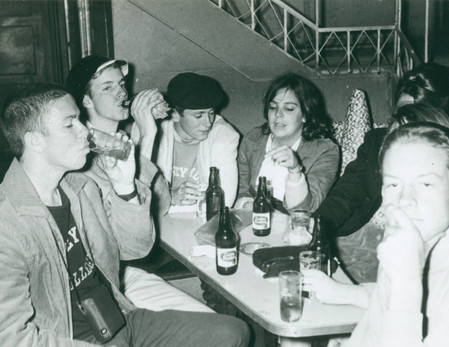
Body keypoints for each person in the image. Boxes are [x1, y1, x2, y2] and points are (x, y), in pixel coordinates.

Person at [0, 83, 250, 347]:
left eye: (81, 120)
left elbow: (135, 248)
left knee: (233, 334)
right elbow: (11, 342)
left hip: (116, 320)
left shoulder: (79, 188)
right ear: (35, 140)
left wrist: (125, 187)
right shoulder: (7, 223)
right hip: (69, 344)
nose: (85, 131)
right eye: (70, 124)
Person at [304, 123, 449, 347]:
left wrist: (407, 282)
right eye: (394, 184)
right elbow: (386, 301)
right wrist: (360, 338)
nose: (404, 200)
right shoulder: (412, 235)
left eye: (425, 183)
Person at [66, 55, 213, 313]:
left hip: (127, 271)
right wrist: (147, 135)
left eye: (122, 84)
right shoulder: (82, 155)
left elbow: (162, 202)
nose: (121, 92)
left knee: (210, 318)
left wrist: (147, 134)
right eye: (107, 87)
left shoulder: (120, 138)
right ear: (86, 100)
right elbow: (128, 244)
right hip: (105, 279)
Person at [315, 63, 449, 283]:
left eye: (417, 117)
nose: (406, 127)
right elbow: (348, 188)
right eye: (401, 113)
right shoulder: (378, 140)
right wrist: (318, 224)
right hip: (359, 237)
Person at [235, 72, 339, 213]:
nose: (278, 114)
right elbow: (240, 190)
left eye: (288, 108)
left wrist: (295, 170)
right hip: (253, 222)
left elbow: (306, 209)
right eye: (273, 107)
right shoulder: (253, 138)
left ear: (305, 114)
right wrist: (251, 208)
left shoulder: (325, 151)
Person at [155, 72, 239, 210]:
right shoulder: (154, 133)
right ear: (175, 115)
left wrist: (165, 201)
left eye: (211, 113)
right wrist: (171, 196)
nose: (208, 123)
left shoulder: (225, 136)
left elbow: (223, 201)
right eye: (199, 115)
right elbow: (142, 198)